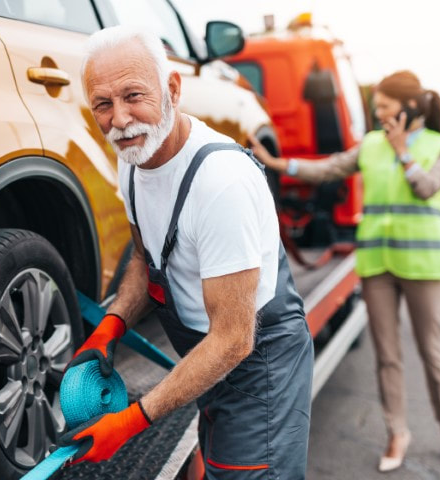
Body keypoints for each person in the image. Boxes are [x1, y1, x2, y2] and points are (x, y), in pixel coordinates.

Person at [60, 26, 314, 479]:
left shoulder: (220, 183)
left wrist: (132, 421)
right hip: (207, 356)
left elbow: (234, 338)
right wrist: (110, 327)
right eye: (102, 103)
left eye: (133, 95)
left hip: (257, 366)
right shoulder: (134, 158)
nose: (119, 119)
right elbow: (144, 259)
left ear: (172, 89)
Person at [249, 70, 440, 472]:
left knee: (431, 351)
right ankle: (397, 433)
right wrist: (276, 163)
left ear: (410, 107)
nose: (378, 114)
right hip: (377, 264)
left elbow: (427, 188)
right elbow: (329, 168)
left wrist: (403, 151)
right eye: (377, 107)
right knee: (387, 355)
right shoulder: (371, 145)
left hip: (423, 266)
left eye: (384, 107)